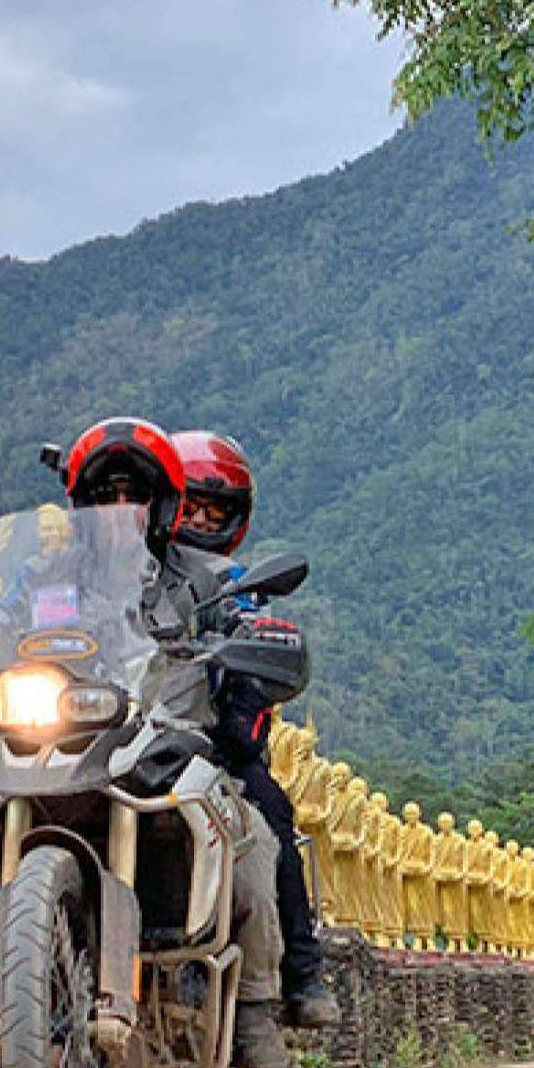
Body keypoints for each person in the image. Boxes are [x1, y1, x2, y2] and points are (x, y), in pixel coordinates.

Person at [57, 418, 293, 1068]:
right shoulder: (54, 579)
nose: (119, 510)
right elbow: (1, 622)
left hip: (171, 744)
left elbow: (239, 620)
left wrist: (257, 637)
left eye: (135, 495)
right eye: (107, 496)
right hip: (71, 744)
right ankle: (6, 999)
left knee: (252, 834)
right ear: (85, 506)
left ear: (160, 503)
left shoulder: (198, 579)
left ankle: (253, 1002)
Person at [172, 430, 340, 1028]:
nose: (198, 517)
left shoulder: (235, 585)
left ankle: (299, 973)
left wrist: (243, 647)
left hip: (211, 743)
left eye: (213, 509)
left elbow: (257, 633)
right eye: (188, 503)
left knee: (271, 816)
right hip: (121, 735)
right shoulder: (124, 575)